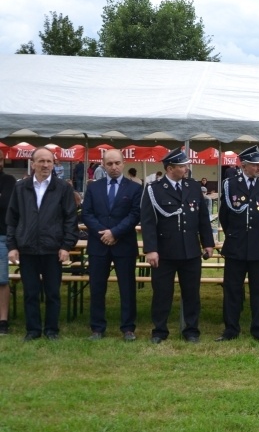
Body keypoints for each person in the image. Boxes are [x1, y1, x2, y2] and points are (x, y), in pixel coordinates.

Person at [141, 148, 214, 344]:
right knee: (162, 293)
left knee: (191, 293)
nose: (186, 168)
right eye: (182, 166)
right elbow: (148, 222)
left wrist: (208, 243)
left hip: (190, 249)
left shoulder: (192, 186)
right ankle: (159, 330)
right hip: (164, 251)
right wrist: (151, 249)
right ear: (170, 168)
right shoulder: (154, 189)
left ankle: (191, 330)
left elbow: (202, 218)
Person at [6, 147, 78, 341]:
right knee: (30, 292)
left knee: (53, 292)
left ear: (54, 164)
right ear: (33, 163)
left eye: (49, 161)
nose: (45, 165)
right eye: (41, 161)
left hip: (53, 248)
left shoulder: (63, 188)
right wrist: (12, 246)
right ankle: (33, 330)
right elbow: (12, 218)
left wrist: (66, 246)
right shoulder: (21, 187)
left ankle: (52, 330)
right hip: (27, 248)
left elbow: (70, 219)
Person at [216, 146, 259, 342]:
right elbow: (224, 216)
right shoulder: (230, 184)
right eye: (255, 164)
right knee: (232, 290)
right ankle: (231, 329)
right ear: (243, 165)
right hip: (236, 246)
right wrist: (235, 235)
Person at [82, 150, 143, 341]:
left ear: (124, 163)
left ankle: (128, 328)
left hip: (123, 244)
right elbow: (87, 214)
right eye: (109, 164)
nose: (114, 167)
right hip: (98, 245)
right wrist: (104, 233)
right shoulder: (93, 187)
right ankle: (97, 328)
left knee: (127, 288)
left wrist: (115, 232)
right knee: (97, 288)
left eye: (117, 163)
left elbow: (135, 215)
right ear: (103, 165)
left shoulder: (134, 188)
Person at [0, 151, 16, 335]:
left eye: (1, 159)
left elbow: (5, 203)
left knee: (2, 280)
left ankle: (2, 320)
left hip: (2, 235)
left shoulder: (9, 180)